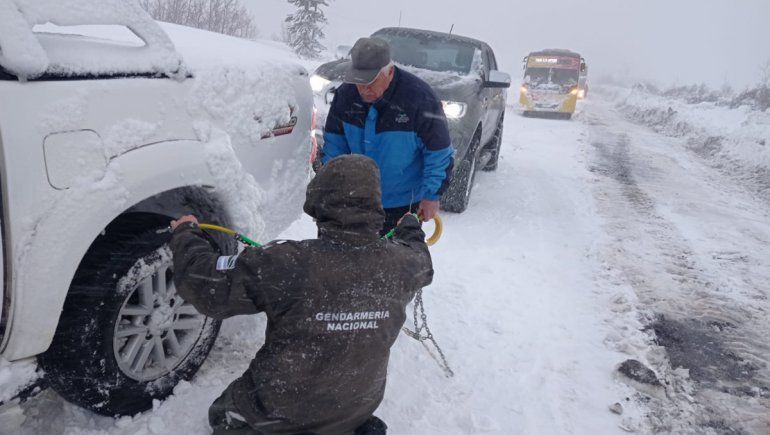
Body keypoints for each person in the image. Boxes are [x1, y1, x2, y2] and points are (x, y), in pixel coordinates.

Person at [169, 155, 434, 435]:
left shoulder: (286, 263)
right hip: (355, 410)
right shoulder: (403, 264)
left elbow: (208, 287)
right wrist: (410, 228)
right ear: (375, 207)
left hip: (279, 411)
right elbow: (422, 259)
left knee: (223, 414)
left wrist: (186, 235)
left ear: (318, 203)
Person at [322, 37, 454, 235]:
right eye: (358, 81)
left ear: (389, 71)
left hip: (402, 204)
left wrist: (431, 195)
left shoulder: (420, 98)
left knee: (394, 262)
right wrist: (331, 186)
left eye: (370, 81)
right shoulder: (346, 96)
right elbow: (334, 146)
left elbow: (439, 152)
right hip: (356, 199)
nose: (363, 89)